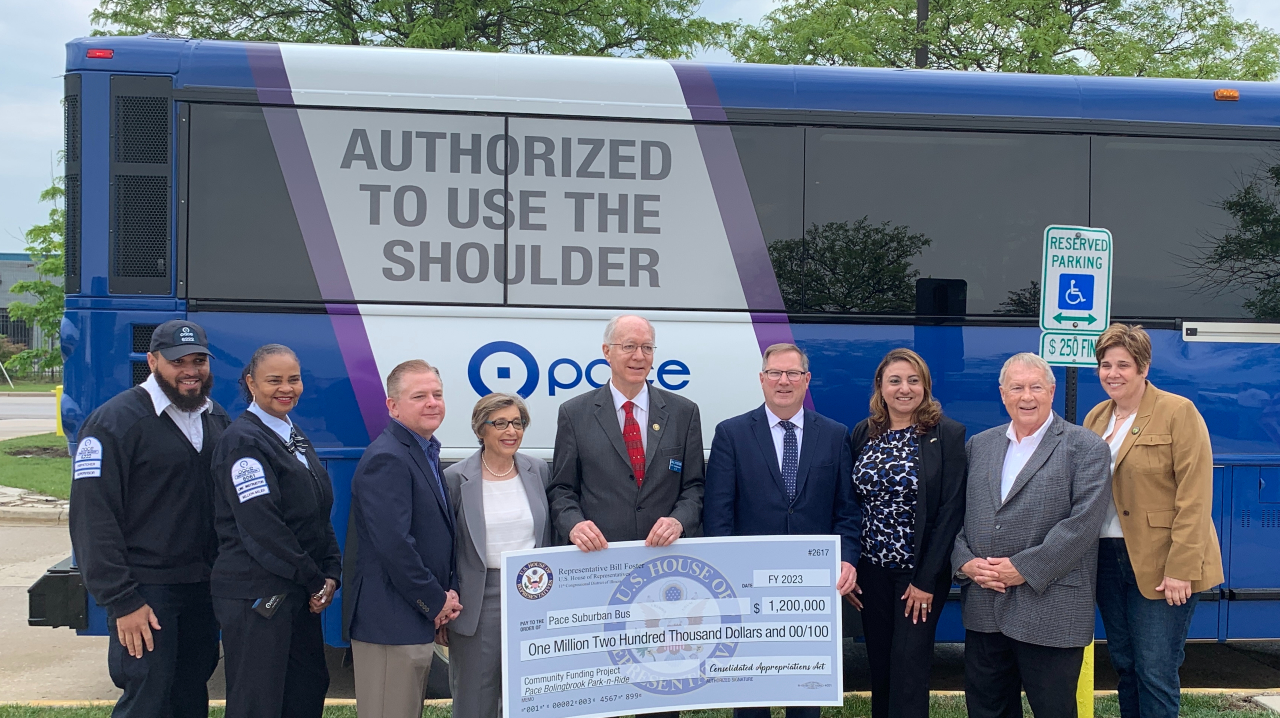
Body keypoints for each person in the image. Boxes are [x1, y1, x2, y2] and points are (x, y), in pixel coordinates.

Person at [68, 320, 229, 718]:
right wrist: (123, 601)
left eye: (199, 360)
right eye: (178, 362)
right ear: (152, 361)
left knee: (191, 693)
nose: (191, 370)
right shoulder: (112, 423)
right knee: (147, 699)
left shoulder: (214, 416)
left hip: (201, 589)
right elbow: (93, 520)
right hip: (146, 592)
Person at [703, 342, 859, 718]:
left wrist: (848, 560)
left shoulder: (836, 435)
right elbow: (718, 513)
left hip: (813, 590)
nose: (783, 381)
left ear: (807, 380)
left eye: (793, 373)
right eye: (775, 373)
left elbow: (847, 510)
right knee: (751, 695)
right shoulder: (732, 434)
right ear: (762, 379)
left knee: (806, 696)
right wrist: (724, 575)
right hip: (747, 587)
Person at [952, 352, 1111, 718]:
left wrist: (1023, 568)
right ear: (1002, 393)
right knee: (987, 709)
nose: (1027, 397)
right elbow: (957, 514)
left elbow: (1083, 524)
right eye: (1017, 387)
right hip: (984, 608)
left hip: (1051, 610)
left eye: (1036, 387)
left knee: (1053, 710)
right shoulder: (980, 445)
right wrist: (966, 563)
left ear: (1052, 391)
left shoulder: (1085, 447)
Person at [1083, 324, 1223, 718]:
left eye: (1123, 365)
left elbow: (1195, 498)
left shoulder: (1178, 412)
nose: (1112, 373)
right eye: (1105, 364)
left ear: (1143, 367)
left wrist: (1181, 569)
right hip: (1109, 559)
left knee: (1155, 669)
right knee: (1125, 667)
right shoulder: (1096, 417)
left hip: (1163, 563)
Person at [210, 344, 342, 718]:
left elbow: (317, 511)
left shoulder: (291, 433)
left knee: (307, 687)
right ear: (251, 383)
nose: (286, 388)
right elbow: (263, 527)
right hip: (258, 593)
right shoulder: (242, 442)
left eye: (294, 379)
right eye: (274, 380)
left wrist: (331, 571)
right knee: (259, 701)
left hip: (297, 589)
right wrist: (314, 578)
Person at [848, 348, 967, 718]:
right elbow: (850, 504)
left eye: (913, 381)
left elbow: (951, 511)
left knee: (910, 669)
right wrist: (850, 567)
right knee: (880, 667)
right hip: (871, 574)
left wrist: (926, 580)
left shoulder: (946, 434)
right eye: (895, 380)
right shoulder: (864, 433)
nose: (904, 389)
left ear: (926, 387)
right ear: (880, 388)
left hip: (917, 576)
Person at [348, 359, 462, 718]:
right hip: (389, 624)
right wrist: (436, 600)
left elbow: (436, 534)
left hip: (410, 617)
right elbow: (394, 545)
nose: (432, 402)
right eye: (419, 396)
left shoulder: (422, 450)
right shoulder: (388, 458)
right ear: (393, 406)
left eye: (437, 394)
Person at [548, 313, 705, 549]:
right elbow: (562, 489)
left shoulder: (684, 412)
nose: (639, 356)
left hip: (666, 556)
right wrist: (574, 525)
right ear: (607, 351)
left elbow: (695, 487)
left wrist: (678, 521)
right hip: (600, 557)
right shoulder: (574, 414)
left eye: (647, 347)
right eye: (629, 346)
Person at [444, 393, 553, 718]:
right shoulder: (456, 479)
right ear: (481, 429)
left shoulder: (538, 470)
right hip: (479, 601)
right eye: (501, 423)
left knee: (530, 696)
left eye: (517, 423)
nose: (511, 431)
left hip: (534, 596)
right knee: (476, 697)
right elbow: (446, 547)